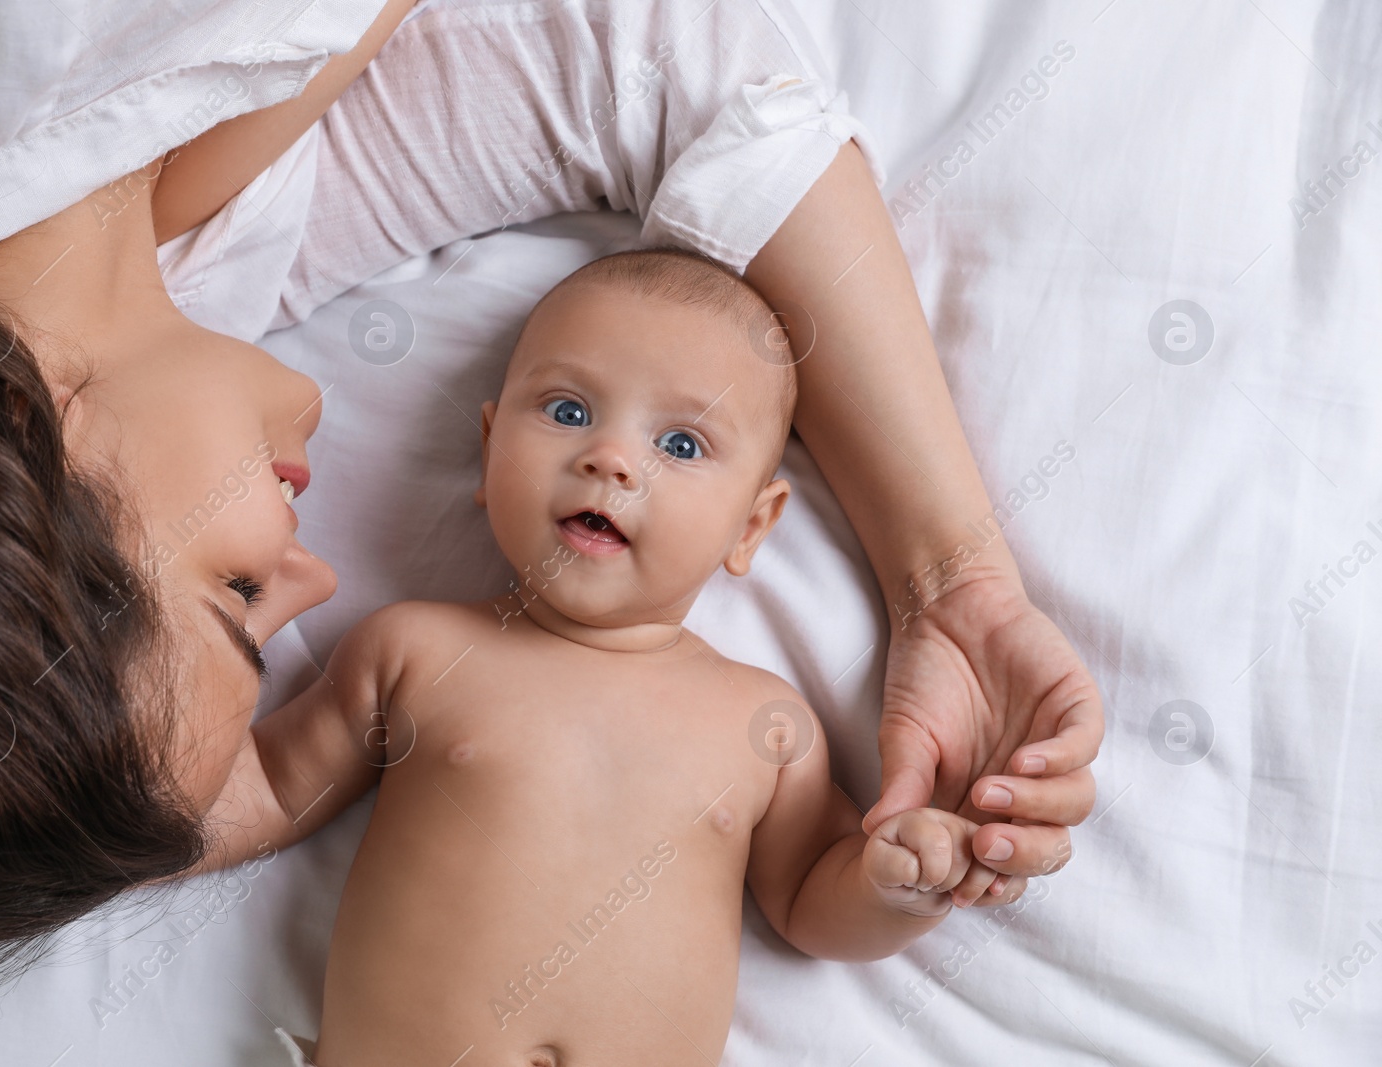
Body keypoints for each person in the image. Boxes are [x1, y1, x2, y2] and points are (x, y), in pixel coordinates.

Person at [0, 0, 1098, 974]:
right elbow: (659, 68)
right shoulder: (204, 283)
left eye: (235, 590)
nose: (316, 575)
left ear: (25, 446)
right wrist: (952, 577)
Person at [212, 247, 1000, 1065]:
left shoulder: (766, 725)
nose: (611, 458)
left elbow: (810, 899)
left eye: (682, 445)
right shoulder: (415, 650)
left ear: (750, 528)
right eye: (567, 410)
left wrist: (896, 885)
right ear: (488, 452)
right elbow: (266, 788)